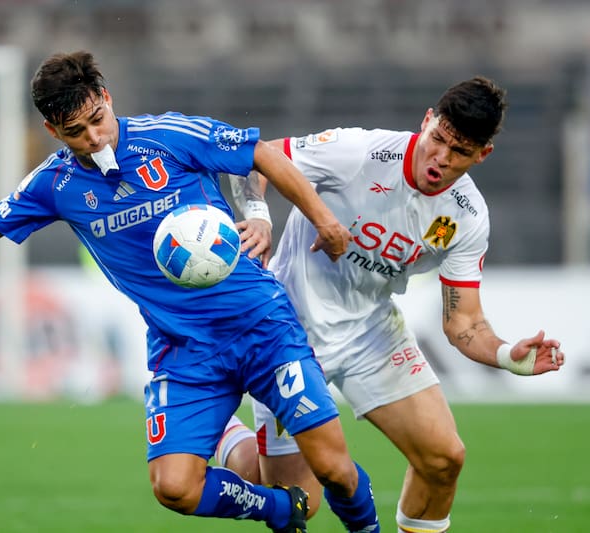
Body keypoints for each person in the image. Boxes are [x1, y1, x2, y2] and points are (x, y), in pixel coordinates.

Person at [0, 51, 380, 532]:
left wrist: (320, 220)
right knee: (174, 487)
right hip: (185, 351)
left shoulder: (169, 136)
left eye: (97, 119)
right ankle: (281, 510)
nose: (94, 138)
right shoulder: (54, 185)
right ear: (54, 131)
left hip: (260, 325)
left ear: (107, 98)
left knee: (333, 468)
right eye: (76, 131)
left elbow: (259, 154)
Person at [215, 76, 565, 533]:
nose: (440, 158)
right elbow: (250, 162)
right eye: (437, 139)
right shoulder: (359, 151)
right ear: (427, 120)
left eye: (459, 152)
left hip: (370, 334)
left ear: (483, 155)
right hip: (288, 331)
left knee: (444, 459)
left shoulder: (466, 216)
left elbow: (463, 322)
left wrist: (505, 356)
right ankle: (229, 438)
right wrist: (258, 218)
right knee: (296, 503)